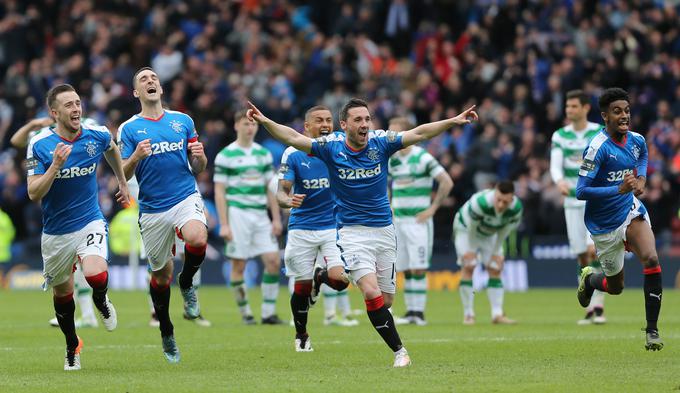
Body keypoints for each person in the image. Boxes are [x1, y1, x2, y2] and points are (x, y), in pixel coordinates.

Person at [247, 97, 477, 367]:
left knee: (386, 298)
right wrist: (264, 122)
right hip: (351, 233)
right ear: (344, 125)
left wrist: (452, 121)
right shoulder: (330, 147)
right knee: (369, 292)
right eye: (358, 120)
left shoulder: (381, 142)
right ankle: (400, 352)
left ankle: (323, 280)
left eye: (367, 119)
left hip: (384, 232)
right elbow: (293, 138)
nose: (365, 124)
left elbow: (419, 132)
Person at [26, 84, 130, 370]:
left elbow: (111, 148)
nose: (76, 109)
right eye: (69, 105)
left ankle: (101, 299)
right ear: (54, 112)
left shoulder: (95, 133)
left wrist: (121, 180)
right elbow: (34, 193)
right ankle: (72, 345)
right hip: (56, 231)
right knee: (63, 294)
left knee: (96, 272)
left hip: (90, 219)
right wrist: (55, 167)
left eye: (77, 103)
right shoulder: (40, 144)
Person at [118, 67, 209, 363]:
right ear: (136, 92)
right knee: (160, 275)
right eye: (143, 79)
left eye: (153, 78)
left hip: (185, 195)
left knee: (197, 237)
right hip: (153, 209)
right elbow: (123, 172)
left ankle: (188, 283)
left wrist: (200, 157)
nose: (150, 81)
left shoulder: (182, 121)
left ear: (161, 87)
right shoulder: (129, 128)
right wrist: (135, 157)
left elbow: (199, 168)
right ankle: (166, 331)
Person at [576, 87, 663, 351]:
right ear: (604, 116)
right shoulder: (596, 148)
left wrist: (642, 180)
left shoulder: (636, 140)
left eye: (626, 110)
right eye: (617, 112)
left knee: (651, 258)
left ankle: (652, 331)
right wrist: (618, 188)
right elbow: (581, 191)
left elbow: (644, 156)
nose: (624, 116)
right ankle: (591, 280)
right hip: (603, 225)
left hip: (630, 211)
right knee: (615, 287)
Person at [276, 105, 358, 352]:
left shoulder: (341, 149)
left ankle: (320, 277)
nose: (325, 124)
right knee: (300, 289)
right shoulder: (293, 153)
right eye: (319, 120)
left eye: (328, 120)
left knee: (342, 280)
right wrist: (286, 200)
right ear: (306, 127)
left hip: (334, 225)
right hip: (302, 226)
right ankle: (301, 334)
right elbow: (282, 191)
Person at [10, 116, 102, 329]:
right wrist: (32, 124)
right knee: (71, 268)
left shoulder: (88, 126)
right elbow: (16, 141)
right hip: (57, 209)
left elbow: (107, 144)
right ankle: (85, 314)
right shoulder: (43, 135)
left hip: (83, 206)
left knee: (82, 264)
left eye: (74, 103)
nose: (71, 109)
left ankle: (88, 313)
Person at [213, 110, 284, 325]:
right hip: (238, 214)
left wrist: (276, 219)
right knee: (239, 266)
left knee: (273, 261)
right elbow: (219, 191)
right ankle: (246, 313)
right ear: (236, 126)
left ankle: (268, 312)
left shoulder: (263, 154)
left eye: (253, 124)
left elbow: (271, 189)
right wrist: (224, 224)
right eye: (245, 123)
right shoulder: (226, 155)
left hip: (260, 214)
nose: (250, 127)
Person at [388, 117, 454, 326]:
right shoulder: (392, 159)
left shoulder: (423, 158)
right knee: (406, 268)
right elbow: (384, 184)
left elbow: (446, 181)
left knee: (418, 268)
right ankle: (411, 312)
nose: (391, 137)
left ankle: (420, 313)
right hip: (399, 221)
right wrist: (389, 203)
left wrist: (433, 208)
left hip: (418, 222)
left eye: (395, 133)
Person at [550, 89, 607, 325]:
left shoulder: (598, 132)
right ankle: (589, 307)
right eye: (567, 106)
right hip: (572, 202)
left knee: (595, 250)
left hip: (594, 201)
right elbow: (555, 165)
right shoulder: (560, 135)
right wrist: (559, 180)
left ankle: (599, 308)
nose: (569, 110)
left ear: (585, 108)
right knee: (582, 256)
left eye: (573, 106)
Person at [454, 181, 522, 325]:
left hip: (490, 233)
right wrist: (471, 250)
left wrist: (496, 251)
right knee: (469, 265)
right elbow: (472, 228)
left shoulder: (516, 208)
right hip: (465, 230)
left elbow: (505, 231)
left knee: (495, 267)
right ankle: (468, 314)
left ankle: (497, 314)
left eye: (505, 202)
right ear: (494, 193)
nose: (501, 205)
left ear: (512, 198)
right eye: (499, 200)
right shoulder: (480, 203)